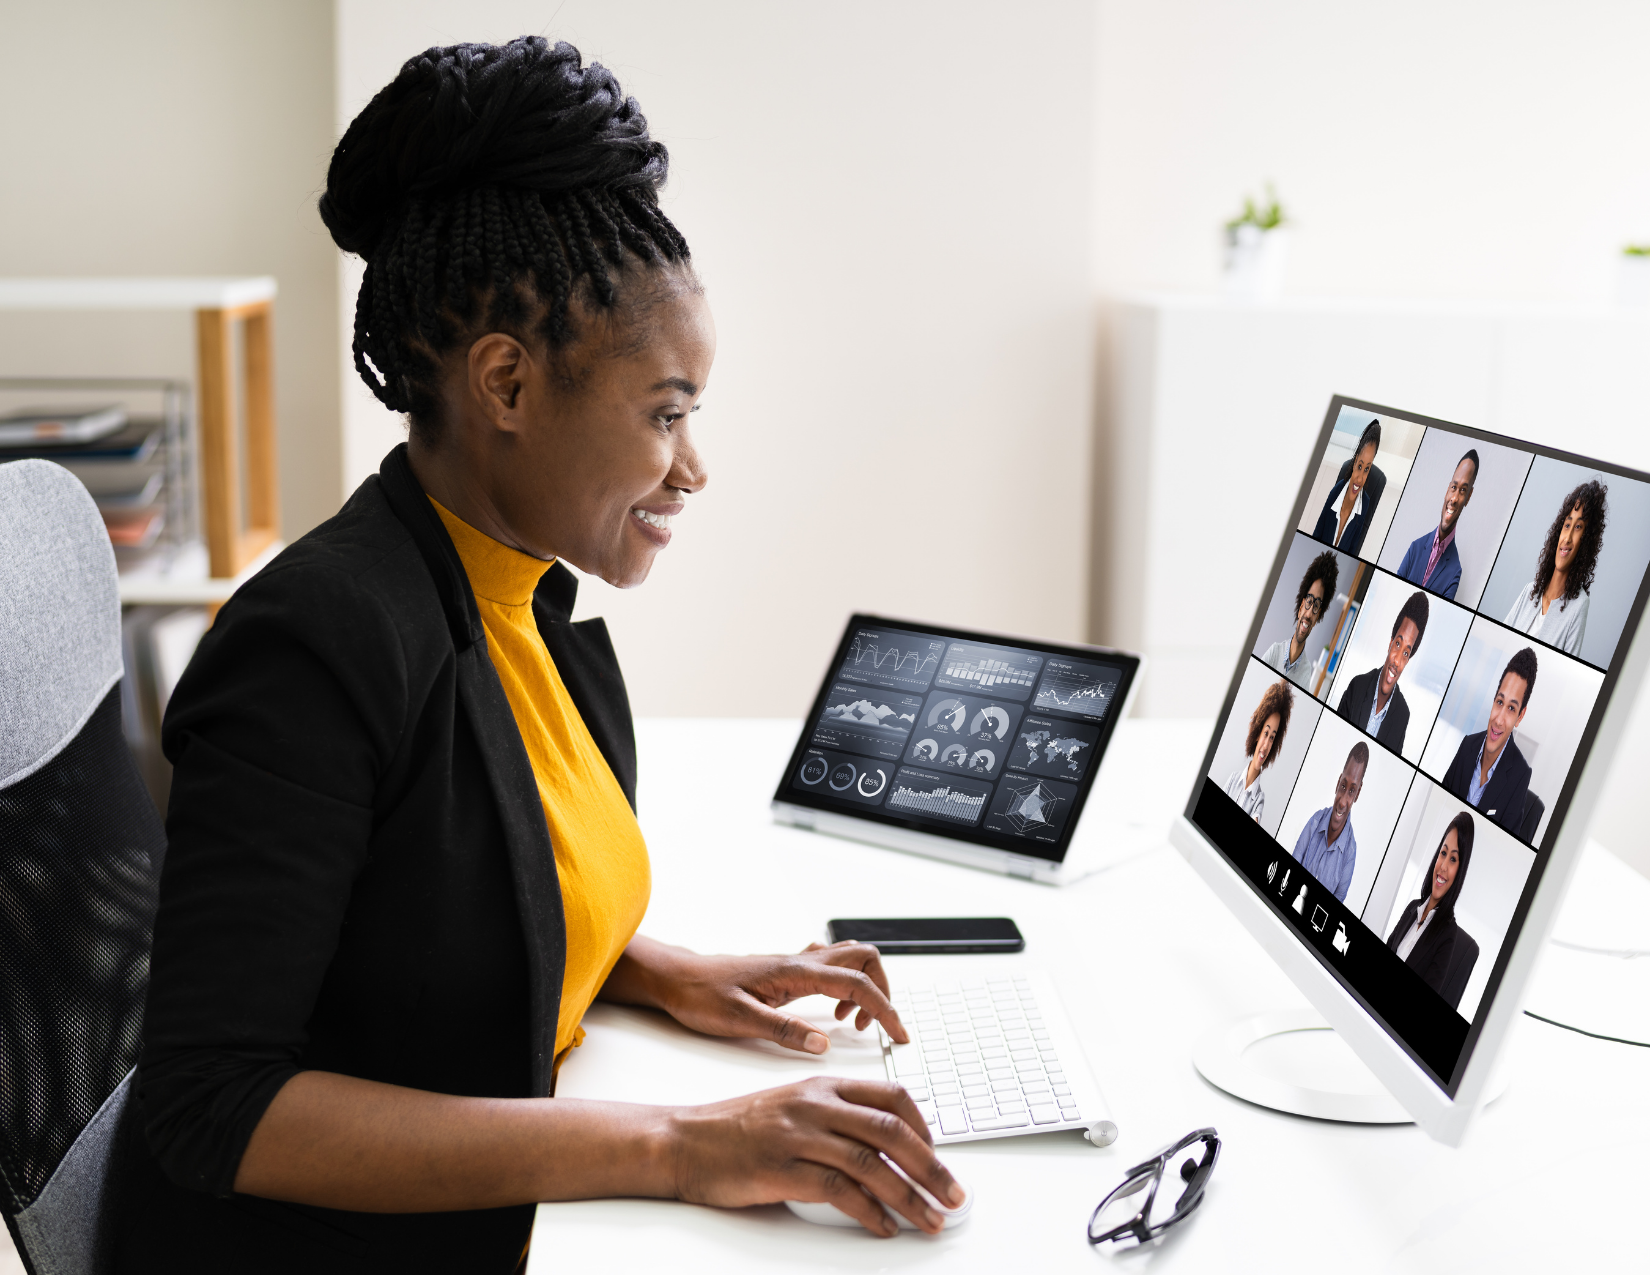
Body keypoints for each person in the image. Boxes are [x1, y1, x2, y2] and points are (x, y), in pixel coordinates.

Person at [119, 39, 961, 1272]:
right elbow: (212, 1106)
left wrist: (663, 972)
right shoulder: (317, 646)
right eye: (665, 413)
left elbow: (429, 908)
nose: (692, 467)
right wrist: (680, 1143)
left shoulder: (505, 595)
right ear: (505, 383)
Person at [1386, 812, 1481, 1010]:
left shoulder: (1448, 935)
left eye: (1453, 859)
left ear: (1460, 871)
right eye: (1443, 853)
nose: (1443, 866)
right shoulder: (1413, 908)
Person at [1503, 478, 1608, 657]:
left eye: (1578, 527)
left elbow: (1564, 668)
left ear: (1587, 541)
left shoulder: (1578, 606)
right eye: (1567, 525)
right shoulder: (1530, 591)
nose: (1567, 538)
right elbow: (1499, 640)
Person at [1440, 647, 1537, 837]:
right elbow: (1440, 803)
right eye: (1500, 702)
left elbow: (1501, 841)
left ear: (1520, 716)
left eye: (1511, 708)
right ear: (1493, 699)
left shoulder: (1520, 775)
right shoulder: (1467, 745)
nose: (1499, 720)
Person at [1335, 590, 1429, 754]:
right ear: (1390, 643)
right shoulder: (1357, 686)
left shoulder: (1402, 716)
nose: (1397, 661)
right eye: (1398, 644)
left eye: (1406, 653)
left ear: (1408, 661)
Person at [1290, 741, 1368, 903]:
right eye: (1343, 786)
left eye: (1352, 791)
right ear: (1338, 781)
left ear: (1358, 794)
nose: (1342, 801)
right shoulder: (1315, 821)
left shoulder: (1350, 853)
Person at [1395, 449, 1478, 600]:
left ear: (1468, 496)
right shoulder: (1416, 548)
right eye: (1454, 487)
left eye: (1463, 490)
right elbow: (1393, 594)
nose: (1453, 498)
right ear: (1447, 489)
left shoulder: (1454, 571)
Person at [1260, 550, 1340, 688]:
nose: (1309, 614)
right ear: (1301, 606)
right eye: (1309, 601)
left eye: (1316, 606)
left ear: (1317, 618)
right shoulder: (1274, 652)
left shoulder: (1305, 675)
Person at [1223, 679, 1294, 823]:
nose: (1267, 744)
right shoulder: (1232, 780)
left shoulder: (1259, 800)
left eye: (1272, 737)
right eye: (1266, 733)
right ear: (1257, 733)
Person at [1310, 419, 1385, 555]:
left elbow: (1353, 551)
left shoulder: (1365, 504)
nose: (1360, 478)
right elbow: (1316, 535)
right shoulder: (1336, 492)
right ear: (1355, 461)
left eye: (1367, 469)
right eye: (1360, 466)